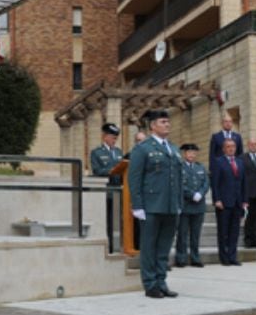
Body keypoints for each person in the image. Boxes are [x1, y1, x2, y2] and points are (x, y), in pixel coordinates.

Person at [128, 110, 182, 299]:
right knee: (149, 246)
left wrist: (179, 203)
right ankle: (150, 284)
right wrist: (137, 206)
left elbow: (178, 178)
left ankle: (161, 281)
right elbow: (134, 178)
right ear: (152, 126)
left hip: (170, 205)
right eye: (163, 121)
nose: (167, 124)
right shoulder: (142, 149)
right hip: (151, 206)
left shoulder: (173, 149)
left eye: (168, 121)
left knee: (164, 247)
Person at [211, 138, 247, 266]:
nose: (231, 148)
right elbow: (215, 183)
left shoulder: (240, 162)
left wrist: (244, 200)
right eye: (228, 146)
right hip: (224, 202)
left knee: (234, 231)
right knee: (223, 231)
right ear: (224, 149)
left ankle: (233, 256)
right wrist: (217, 199)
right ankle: (224, 257)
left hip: (237, 202)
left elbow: (243, 183)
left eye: (233, 146)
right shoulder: (218, 162)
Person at [90, 122, 123, 253]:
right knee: (106, 220)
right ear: (105, 136)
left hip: (118, 191)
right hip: (105, 192)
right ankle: (107, 247)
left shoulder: (119, 152)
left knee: (117, 221)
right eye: (112, 137)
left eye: (116, 138)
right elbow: (97, 170)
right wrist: (111, 170)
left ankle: (116, 246)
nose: (114, 140)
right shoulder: (96, 153)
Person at [174, 143, 209, 268]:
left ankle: (195, 257)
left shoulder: (200, 167)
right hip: (185, 205)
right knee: (182, 234)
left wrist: (200, 193)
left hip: (198, 205)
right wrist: (191, 194)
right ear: (185, 154)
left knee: (195, 234)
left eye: (194, 153)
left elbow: (206, 182)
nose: (192, 155)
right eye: (189, 153)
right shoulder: (180, 167)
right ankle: (181, 258)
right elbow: (179, 185)